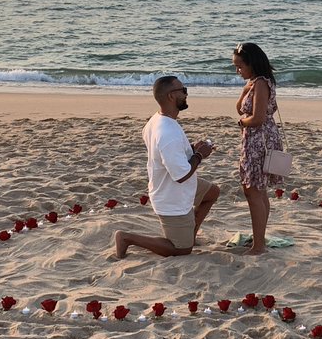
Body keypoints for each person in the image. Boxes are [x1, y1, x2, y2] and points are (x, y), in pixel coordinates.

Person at [114, 76, 220, 258]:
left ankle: (189, 235)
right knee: (181, 250)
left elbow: (165, 155)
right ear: (172, 96)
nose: (186, 94)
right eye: (183, 90)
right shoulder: (167, 131)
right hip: (171, 196)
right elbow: (181, 174)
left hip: (177, 187)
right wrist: (200, 155)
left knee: (212, 193)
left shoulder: (158, 119)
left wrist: (193, 149)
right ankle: (126, 238)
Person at [233, 42, 284, 255]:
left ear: (252, 64)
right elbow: (240, 108)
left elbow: (257, 118)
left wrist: (242, 123)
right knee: (258, 190)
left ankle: (259, 245)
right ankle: (259, 239)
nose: (237, 70)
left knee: (253, 190)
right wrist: (245, 90)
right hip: (258, 139)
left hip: (259, 140)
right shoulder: (257, 83)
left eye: (239, 66)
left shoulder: (261, 84)